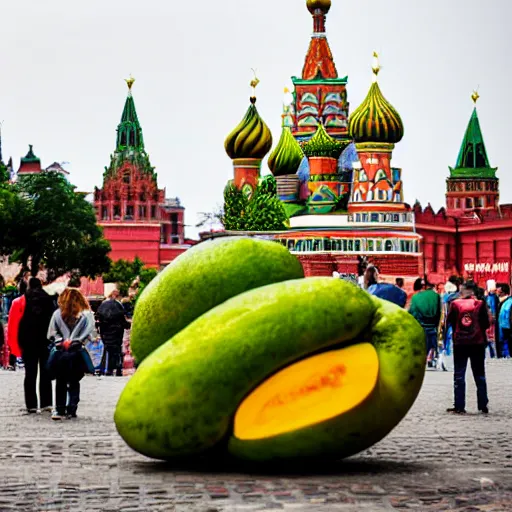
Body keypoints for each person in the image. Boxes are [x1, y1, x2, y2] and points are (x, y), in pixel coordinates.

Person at [47, 288, 95, 420]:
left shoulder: (57, 314)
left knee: (60, 380)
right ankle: (72, 408)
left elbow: (51, 333)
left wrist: (61, 341)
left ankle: (60, 409)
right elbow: (91, 333)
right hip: (77, 351)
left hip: (61, 352)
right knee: (74, 380)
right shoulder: (87, 314)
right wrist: (77, 340)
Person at [446, 281, 490, 414]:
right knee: (479, 374)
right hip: (477, 342)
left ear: (464, 290)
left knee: (459, 374)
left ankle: (459, 405)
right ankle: (482, 404)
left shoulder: (455, 304)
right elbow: (486, 324)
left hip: (460, 343)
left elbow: (450, 321)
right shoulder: (480, 304)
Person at [18, 278, 56, 413]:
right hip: (44, 341)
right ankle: (46, 403)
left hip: (28, 341)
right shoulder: (48, 299)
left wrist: (19, 341)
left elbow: (17, 321)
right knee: (45, 372)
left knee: (30, 373)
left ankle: (31, 405)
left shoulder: (23, 299)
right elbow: (53, 320)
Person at [97, 290, 130, 376]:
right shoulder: (118, 306)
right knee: (117, 350)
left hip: (106, 334)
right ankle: (118, 368)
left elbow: (98, 320)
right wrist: (127, 325)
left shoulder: (103, 306)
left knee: (107, 349)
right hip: (117, 334)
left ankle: (107, 369)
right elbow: (124, 322)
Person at [409, 279, 442, 367]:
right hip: (433, 326)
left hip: (421, 326)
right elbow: (439, 313)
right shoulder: (436, 296)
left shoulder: (415, 297)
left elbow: (413, 313)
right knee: (433, 343)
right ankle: (432, 357)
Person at [496, 283, 511, 359]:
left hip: (507, 328)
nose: (497, 294)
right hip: (502, 327)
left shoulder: (509, 302)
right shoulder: (500, 302)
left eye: (499, 292)